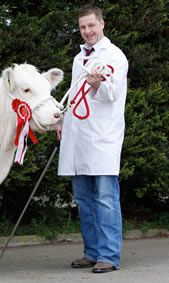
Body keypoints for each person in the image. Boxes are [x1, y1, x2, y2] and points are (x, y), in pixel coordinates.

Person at [57, 4, 129, 273]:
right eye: (83, 27)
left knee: (106, 198)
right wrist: (63, 121)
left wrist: (98, 84)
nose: (87, 31)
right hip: (78, 138)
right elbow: (76, 96)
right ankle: (92, 252)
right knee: (83, 198)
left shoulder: (115, 56)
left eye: (91, 25)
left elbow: (112, 93)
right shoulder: (80, 58)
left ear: (102, 24)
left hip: (102, 138)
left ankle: (109, 255)